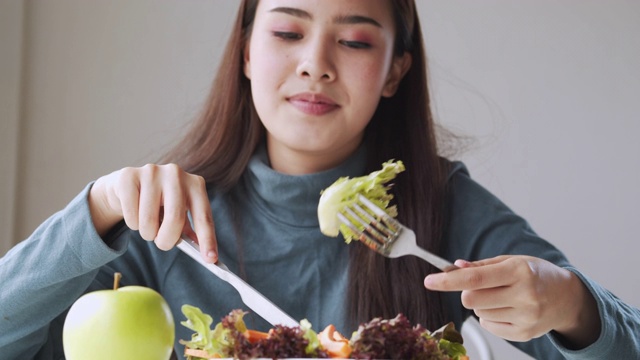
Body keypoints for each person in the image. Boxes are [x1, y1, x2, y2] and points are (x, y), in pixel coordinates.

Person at [1, 0, 638, 359]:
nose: (316, 66)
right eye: (287, 32)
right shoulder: (162, 219)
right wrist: (96, 207)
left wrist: (569, 303)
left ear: (395, 73)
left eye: (355, 42)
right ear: (248, 52)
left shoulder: (440, 207)